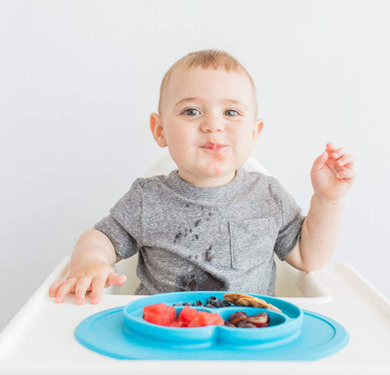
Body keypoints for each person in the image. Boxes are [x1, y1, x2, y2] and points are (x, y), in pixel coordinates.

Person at [49, 49, 356, 305]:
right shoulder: (147, 198)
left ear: (254, 132)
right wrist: (90, 262)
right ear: (160, 130)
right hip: (165, 333)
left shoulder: (268, 195)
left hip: (248, 333)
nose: (213, 125)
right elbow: (101, 238)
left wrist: (328, 200)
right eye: (192, 112)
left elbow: (307, 257)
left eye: (231, 112)